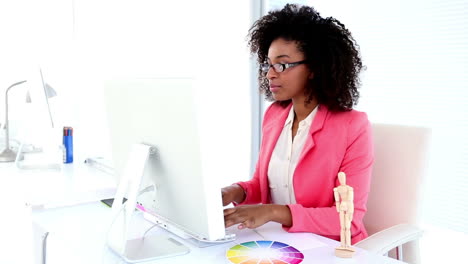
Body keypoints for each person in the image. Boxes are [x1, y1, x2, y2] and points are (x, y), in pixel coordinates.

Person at [222, 4, 374, 244]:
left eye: (281, 65)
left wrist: (273, 211)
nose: (270, 74)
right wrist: (232, 192)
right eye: (267, 65)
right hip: (283, 243)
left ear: (314, 68)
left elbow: (348, 218)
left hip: (331, 248)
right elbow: (264, 186)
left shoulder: (352, 126)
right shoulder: (275, 115)